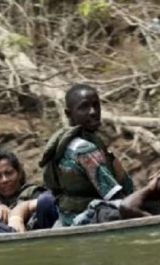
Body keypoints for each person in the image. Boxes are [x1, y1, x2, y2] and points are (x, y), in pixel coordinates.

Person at [39, 84, 135, 226]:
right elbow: (115, 196)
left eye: (96, 105)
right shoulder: (84, 149)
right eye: (84, 107)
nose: (93, 111)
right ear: (68, 114)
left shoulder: (61, 143)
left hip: (66, 217)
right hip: (86, 218)